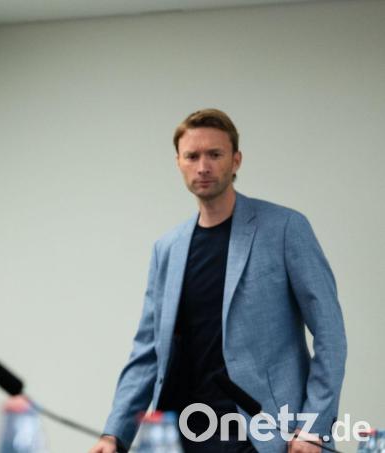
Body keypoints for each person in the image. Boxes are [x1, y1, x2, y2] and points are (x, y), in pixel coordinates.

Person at [89, 109, 346, 453]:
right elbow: (148, 352)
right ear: (178, 162)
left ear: (236, 160)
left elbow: (330, 333)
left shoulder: (285, 228)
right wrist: (114, 434)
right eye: (192, 156)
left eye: (215, 154)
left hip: (259, 435)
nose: (203, 166)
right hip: (181, 433)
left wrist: (312, 427)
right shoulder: (167, 248)